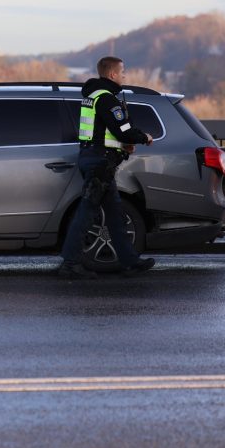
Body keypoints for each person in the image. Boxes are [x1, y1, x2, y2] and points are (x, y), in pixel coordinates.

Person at [58, 56, 155, 280]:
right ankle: (70, 263)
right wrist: (144, 137)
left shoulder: (92, 97)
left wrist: (122, 145)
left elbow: (102, 132)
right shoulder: (107, 99)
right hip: (100, 162)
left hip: (95, 158)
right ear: (112, 74)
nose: (124, 75)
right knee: (87, 212)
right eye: (122, 71)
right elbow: (123, 130)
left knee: (114, 213)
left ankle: (130, 262)